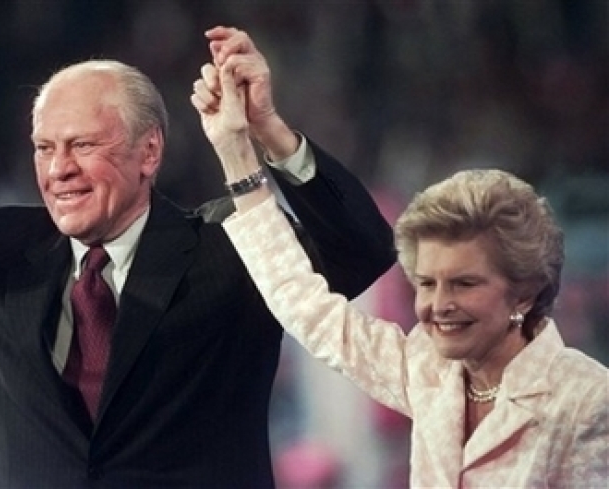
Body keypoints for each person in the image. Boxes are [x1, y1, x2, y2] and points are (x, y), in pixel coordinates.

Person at [0, 26, 396, 487]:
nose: (59, 169)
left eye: (83, 144)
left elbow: (363, 249)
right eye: (44, 148)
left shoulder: (231, 247)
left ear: (149, 152)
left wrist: (270, 131)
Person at [193, 56, 609, 487]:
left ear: (524, 292)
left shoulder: (587, 400)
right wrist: (237, 148)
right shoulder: (431, 371)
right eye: (427, 283)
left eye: (464, 283)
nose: (438, 306)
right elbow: (305, 305)